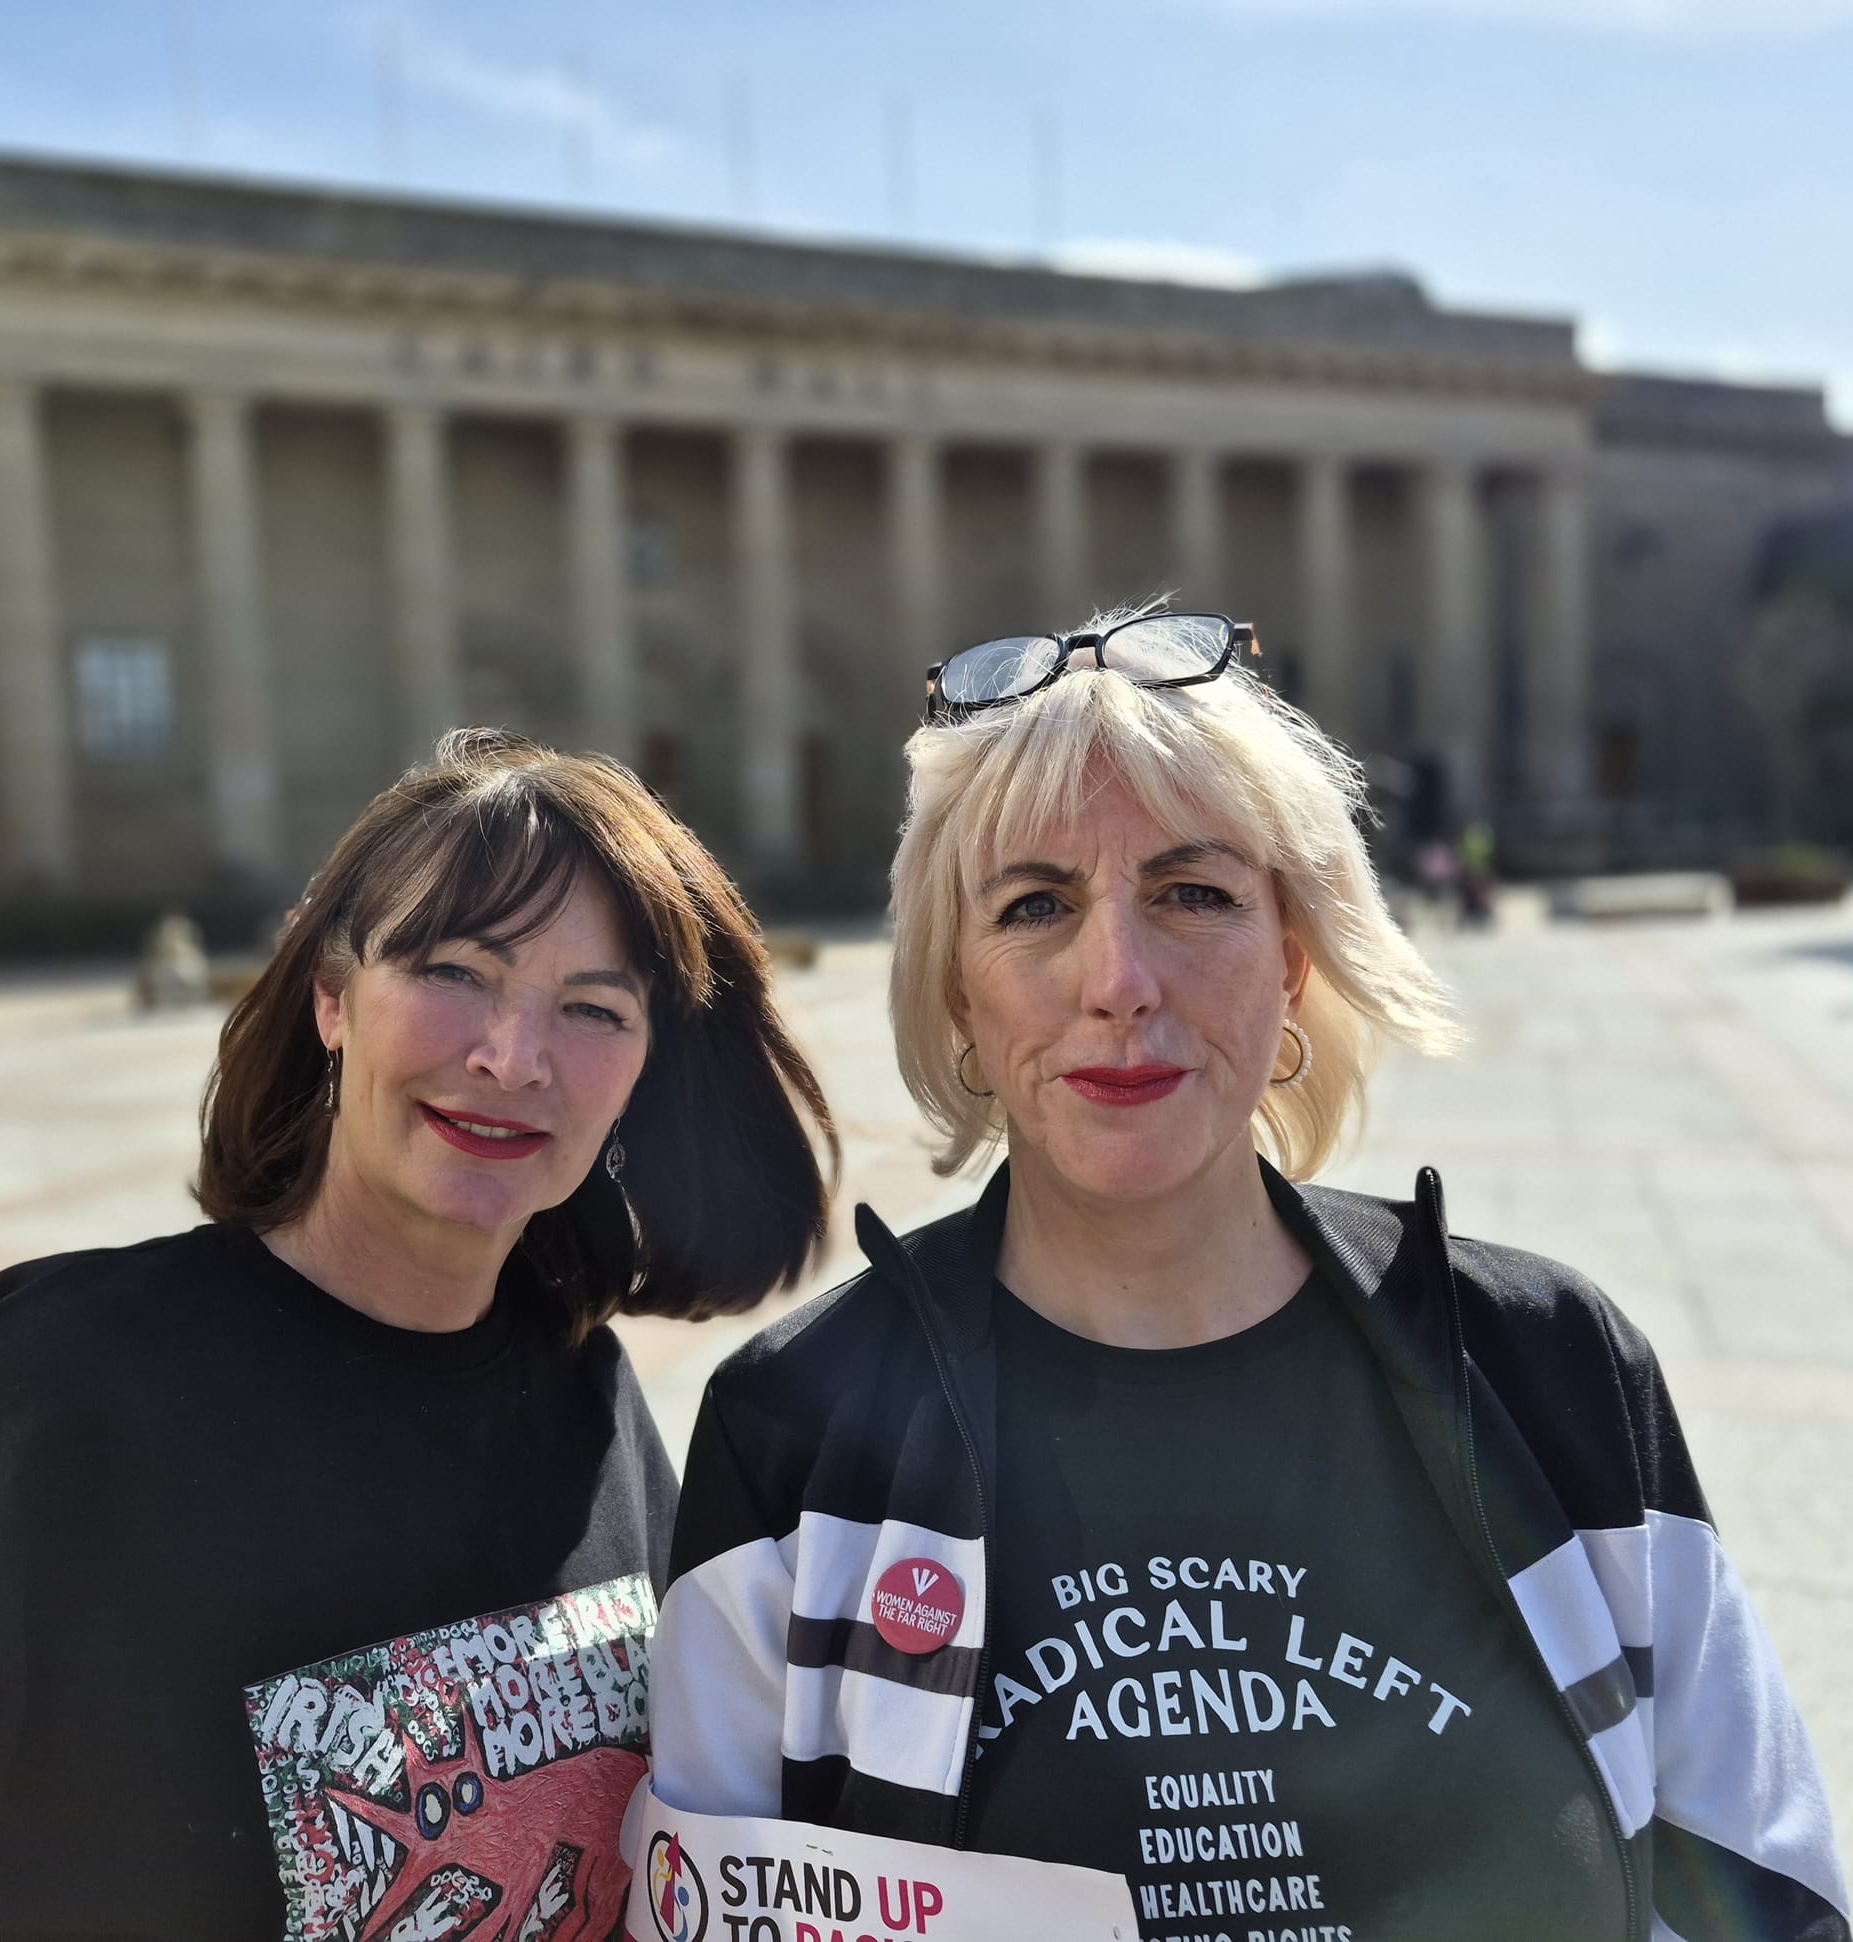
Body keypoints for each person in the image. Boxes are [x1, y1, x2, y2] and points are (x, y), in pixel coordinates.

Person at [649, 610, 1848, 1941]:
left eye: (1193, 893)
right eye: (1035, 905)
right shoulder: (800, 1430)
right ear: (956, 995)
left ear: (1292, 957)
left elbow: (1767, 1893)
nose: (1119, 978)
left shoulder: (1547, 1365)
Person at [0, 730, 833, 1939]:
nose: (510, 1056)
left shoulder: (593, 1408)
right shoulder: (42, 1392)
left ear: (638, 1070)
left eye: (590, 1008)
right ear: (330, 996)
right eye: (454, 972)